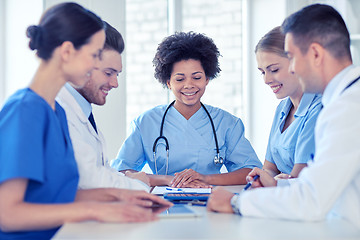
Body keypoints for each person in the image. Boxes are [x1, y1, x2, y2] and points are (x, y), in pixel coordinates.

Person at [0, 3, 171, 239]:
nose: (94, 65)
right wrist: (95, 209)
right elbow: (7, 214)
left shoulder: (55, 112)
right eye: (93, 56)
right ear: (68, 51)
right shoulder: (25, 110)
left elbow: (58, 196)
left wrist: (120, 196)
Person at [207, 4, 360, 228]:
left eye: (292, 58)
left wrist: (237, 202)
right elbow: (319, 185)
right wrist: (278, 186)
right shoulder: (343, 101)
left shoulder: (348, 107)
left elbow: (311, 201)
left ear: (316, 54)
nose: (293, 69)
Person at [111, 31, 262, 187]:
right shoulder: (146, 123)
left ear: (207, 79)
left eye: (197, 77)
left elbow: (251, 171)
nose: (189, 85)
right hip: (162, 204)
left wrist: (205, 179)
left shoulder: (227, 123)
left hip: (213, 202)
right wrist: (168, 180)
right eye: (180, 79)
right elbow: (121, 171)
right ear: (168, 82)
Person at [56, 21, 150, 191]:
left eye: (117, 74)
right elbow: (88, 179)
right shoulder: (58, 110)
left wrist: (127, 178)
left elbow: (100, 170)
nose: (115, 83)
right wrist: (138, 184)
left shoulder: (83, 111)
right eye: (108, 73)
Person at [255, 26, 322, 179]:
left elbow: (300, 180)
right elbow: (270, 168)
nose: (266, 80)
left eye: (274, 70)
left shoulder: (318, 108)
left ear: (296, 63)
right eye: (262, 72)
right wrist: (262, 179)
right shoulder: (282, 108)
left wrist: (275, 183)